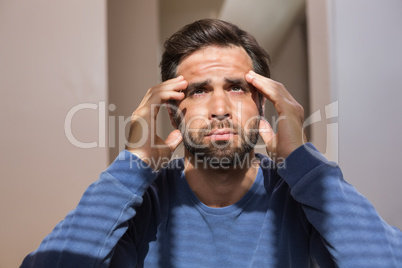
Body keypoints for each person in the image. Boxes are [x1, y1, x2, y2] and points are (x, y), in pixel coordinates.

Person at [21, 19, 401, 268]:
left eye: (237, 88)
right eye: (200, 91)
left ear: (263, 104)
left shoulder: (301, 198)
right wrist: (130, 168)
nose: (220, 108)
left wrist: (301, 162)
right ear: (174, 114)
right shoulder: (140, 205)